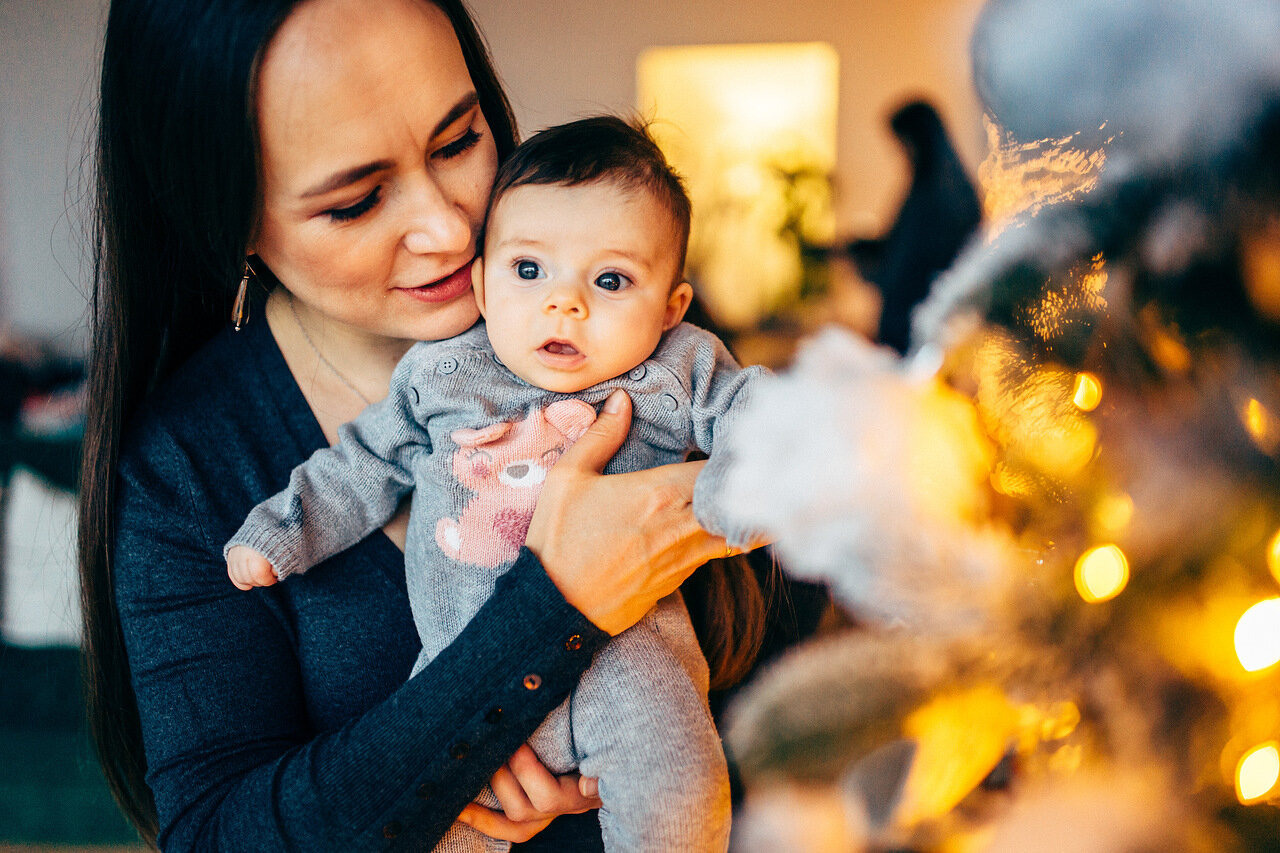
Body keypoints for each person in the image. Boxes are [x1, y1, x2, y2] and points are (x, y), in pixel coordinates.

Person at [80, 0, 827, 849]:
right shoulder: (191, 464)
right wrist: (538, 631)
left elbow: (790, 698)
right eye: (357, 201)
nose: (447, 229)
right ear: (231, 220)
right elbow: (218, 835)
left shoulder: (633, 329)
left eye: (458, 142)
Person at [226, 116, 765, 852]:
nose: (564, 303)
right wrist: (283, 529)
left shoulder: (680, 366)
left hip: (631, 664)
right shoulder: (445, 371)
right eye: (529, 269)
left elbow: (759, 414)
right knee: (435, 823)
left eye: (610, 280)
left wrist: (741, 488)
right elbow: (361, 462)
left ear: (671, 306)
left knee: (683, 793)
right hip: (463, 665)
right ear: (482, 284)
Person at [845, 100, 983, 354]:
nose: (902, 153)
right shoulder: (928, 190)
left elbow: (915, 264)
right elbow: (898, 248)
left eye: (904, 144)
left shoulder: (943, 196)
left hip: (925, 332)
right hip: (908, 327)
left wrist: (875, 266)